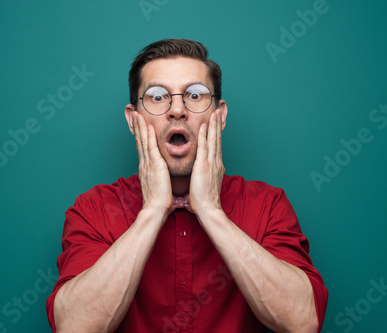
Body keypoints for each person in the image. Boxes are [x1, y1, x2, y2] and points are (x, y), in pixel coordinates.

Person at [46, 39, 328, 333]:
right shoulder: (94, 209)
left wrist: (210, 210)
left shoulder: (268, 205)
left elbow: (302, 321)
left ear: (220, 116)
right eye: (157, 97)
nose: (177, 110)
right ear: (133, 119)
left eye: (195, 95)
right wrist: (153, 210)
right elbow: (74, 327)